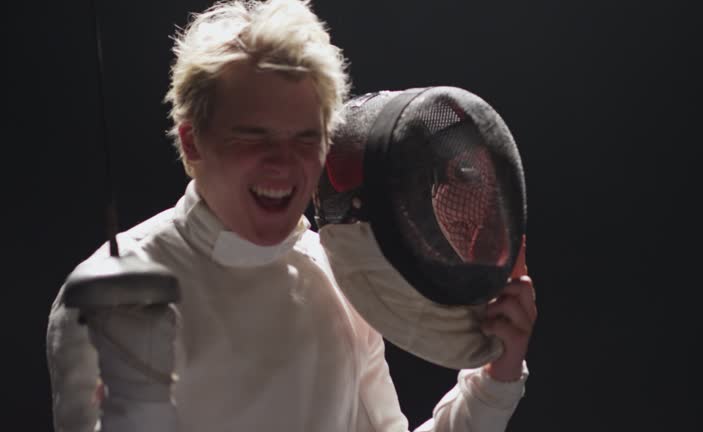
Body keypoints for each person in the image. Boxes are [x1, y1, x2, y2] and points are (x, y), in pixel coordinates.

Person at [46, 0, 538, 430]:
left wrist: (497, 379)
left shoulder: (338, 275)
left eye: (305, 138)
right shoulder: (103, 297)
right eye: (253, 136)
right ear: (194, 142)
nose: (283, 162)